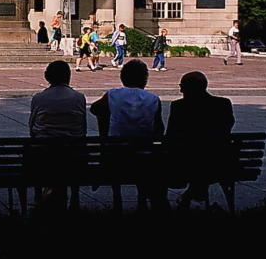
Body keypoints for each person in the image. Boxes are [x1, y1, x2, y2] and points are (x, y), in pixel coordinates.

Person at [90, 59, 167, 210]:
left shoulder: (112, 94)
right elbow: (159, 129)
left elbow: (95, 109)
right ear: (145, 79)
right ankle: (142, 199)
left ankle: (117, 197)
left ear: (123, 77)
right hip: (144, 157)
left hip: (116, 157)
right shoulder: (153, 99)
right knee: (147, 161)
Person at [167, 71, 235, 207]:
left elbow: (170, 136)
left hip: (186, 164)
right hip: (220, 163)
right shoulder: (223, 104)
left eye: (182, 86)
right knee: (205, 156)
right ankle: (196, 191)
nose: (180, 89)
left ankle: (193, 192)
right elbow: (228, 127)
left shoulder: (178, 107)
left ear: (187, 88)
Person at [29, 60, 88, 209]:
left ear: (47, 77)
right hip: (73, 156)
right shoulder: (79, 98)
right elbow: (83, 128)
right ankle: (74, 196)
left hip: (45, 155)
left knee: (36, 152)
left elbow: (32, 128)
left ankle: (40, 194)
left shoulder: (39, 98)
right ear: (68, 76)